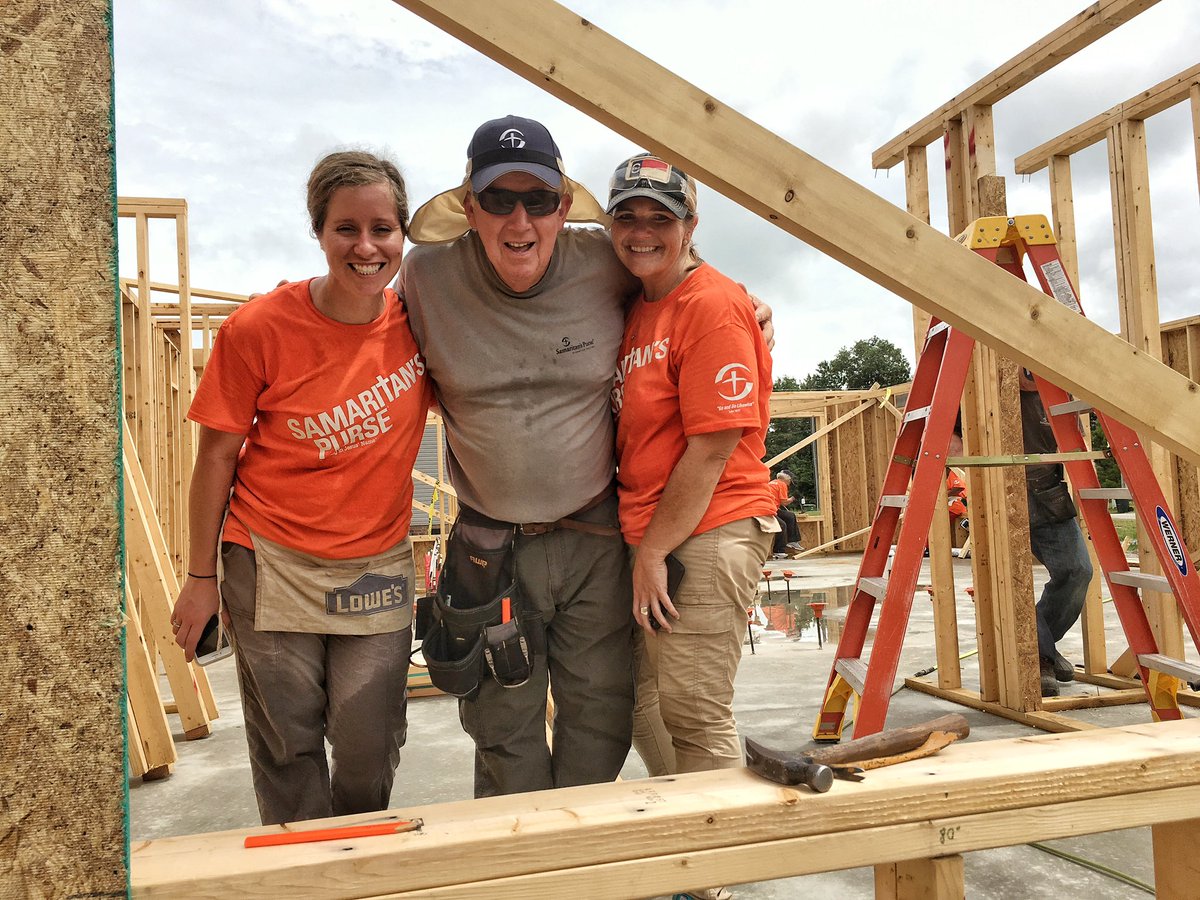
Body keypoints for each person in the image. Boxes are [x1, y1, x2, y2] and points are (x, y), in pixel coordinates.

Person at [401, 117, 774, 800]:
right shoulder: (426, 276)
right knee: (499, 718)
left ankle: (585, 851)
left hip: (596, 533)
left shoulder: (603, 262)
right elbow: (365, 330)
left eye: (538, 200)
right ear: (469, 206)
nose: (520, 220)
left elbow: (684, 283)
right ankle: (528, 862)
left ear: (563, 207)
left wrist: (747, 306)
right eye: (499, 200)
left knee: (605, 715)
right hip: (493, 543)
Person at [171, 151, 433, 825]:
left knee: (370, 743)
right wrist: (201, 576)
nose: (367, 246)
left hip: (375, 564)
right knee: (288, 746)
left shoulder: (423, 325)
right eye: (347, 228)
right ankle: (304, 877)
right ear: (319, 233)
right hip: (269, 560)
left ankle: (352, 858)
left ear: (403, 234)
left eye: (383, 228)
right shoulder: (260, 328)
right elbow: (216, 458)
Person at [607, 152, 777, 900]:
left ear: (691, 226)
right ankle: (694, 846)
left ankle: (716, 879)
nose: (643, 231)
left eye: (661, 218)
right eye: (629, 215)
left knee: (695, 710)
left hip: (708, 528)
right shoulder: (640, 303)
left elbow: (712, 445)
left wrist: (653, 551)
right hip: (659, 531)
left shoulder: (709, 304)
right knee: (644, 701)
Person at [1021, 371, 1093, 697]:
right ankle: (1043, 658)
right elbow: (952, 434)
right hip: (1000, 494)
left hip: (1048, 493)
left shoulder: (1057, 384)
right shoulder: (982, 374)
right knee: (1012, 583)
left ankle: (1041, 648)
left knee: (1078, 571)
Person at [768, 470, 803, 558]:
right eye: (790, 481)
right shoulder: (782, 484)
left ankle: (792, 541)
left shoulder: (772, 483)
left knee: (790, 516)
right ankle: (779, 551)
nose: (789, 483)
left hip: (772, 508)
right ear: (786, 479)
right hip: (769, 510)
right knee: (782, 525)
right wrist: (793, 498)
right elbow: (784, 502)